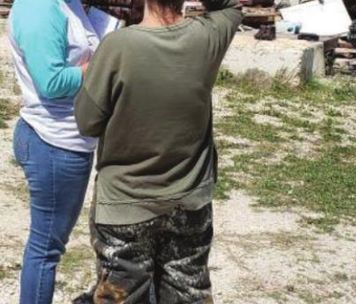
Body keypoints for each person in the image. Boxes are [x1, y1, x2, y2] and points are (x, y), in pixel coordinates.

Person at [74, 0, 242, 302]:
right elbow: (232, 7)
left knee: (122, 295)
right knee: (187, 292)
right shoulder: (207, 36)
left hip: (125, 202)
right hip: (189, 199)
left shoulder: (117, 46)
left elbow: (87, 122)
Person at [8, 0, 99, 303]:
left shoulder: (66, 4)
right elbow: (52, 82)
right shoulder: (39, 9)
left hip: (65, 139)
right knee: (45, 248)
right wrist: (103, 65)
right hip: (55, 144)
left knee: (47, 245)